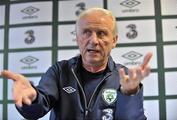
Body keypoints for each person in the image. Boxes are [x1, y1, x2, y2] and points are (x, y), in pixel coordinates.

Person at [0, 7, 152, 120]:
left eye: (101, 33)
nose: (93, 40)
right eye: (86, 32)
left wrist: (130, 94)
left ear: (114, 41)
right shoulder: (59, 71)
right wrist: (32, 99)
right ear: (77, 38)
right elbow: (35, 111)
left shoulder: (124, 77)